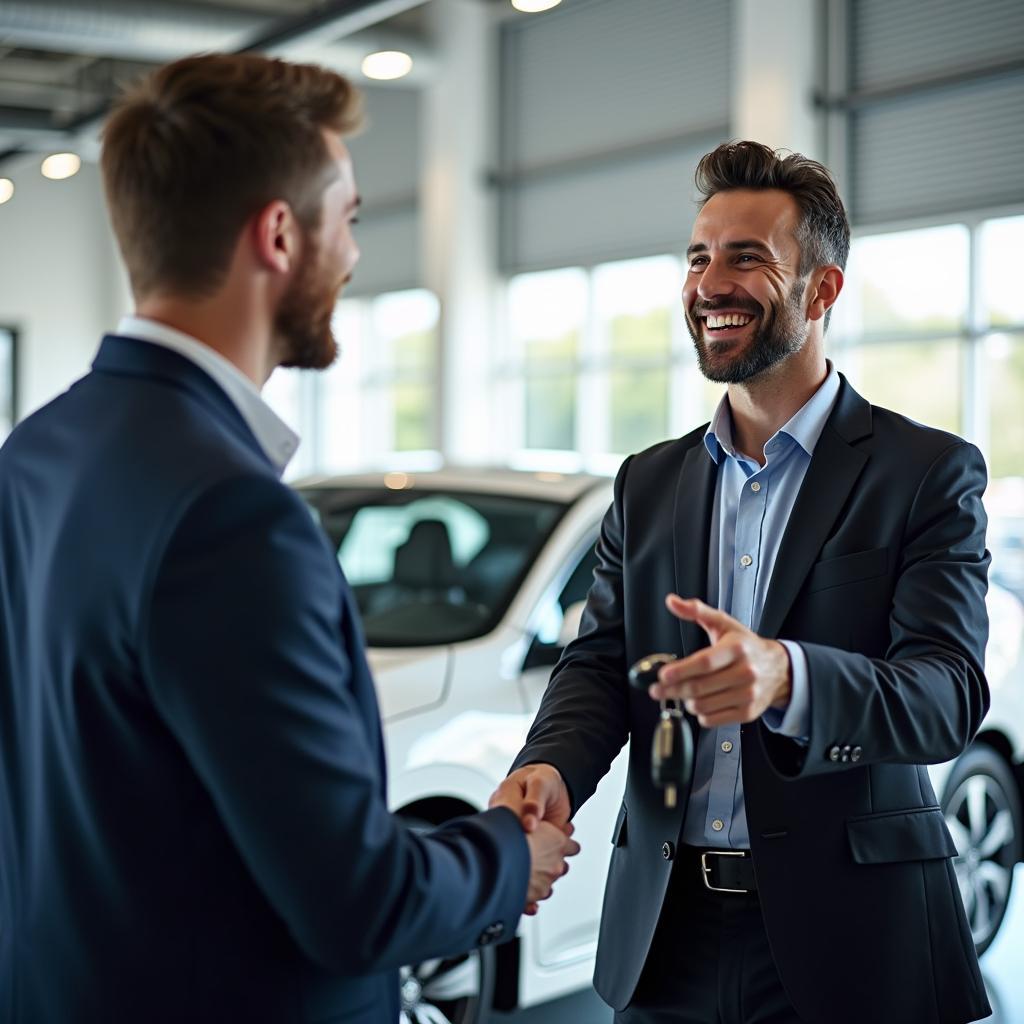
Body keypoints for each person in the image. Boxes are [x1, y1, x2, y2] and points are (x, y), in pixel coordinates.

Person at [0, 53, 578, 1024]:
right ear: (278, 233)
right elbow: (356, 902)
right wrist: (507, 855)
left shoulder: (34, 452)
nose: (353, 253)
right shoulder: (234, 514)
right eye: (347, 217)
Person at [490, 141, 992, 1024]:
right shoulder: (650, 482)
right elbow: (603, 664)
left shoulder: (925, 472)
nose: (710, 284)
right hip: (665, 934)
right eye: (698, 257)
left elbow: (945, 695)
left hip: (853, 941)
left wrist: (788, 677)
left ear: (823, 290)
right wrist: (547, 766)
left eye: (746, 258)